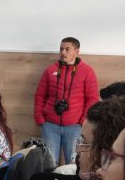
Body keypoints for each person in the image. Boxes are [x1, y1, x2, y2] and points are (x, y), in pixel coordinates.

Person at [33, 37, 99, 165]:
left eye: (67, 49)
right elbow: (40, 95)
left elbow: (92, 99)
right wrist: (40, 118)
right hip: (50, 125)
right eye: (61, 49)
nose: (63, 52)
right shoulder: (50, 70)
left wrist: (83, 121)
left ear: (77, 51)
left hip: (75, 126)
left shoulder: (87, 71)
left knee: (73, 165)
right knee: (49, 163)